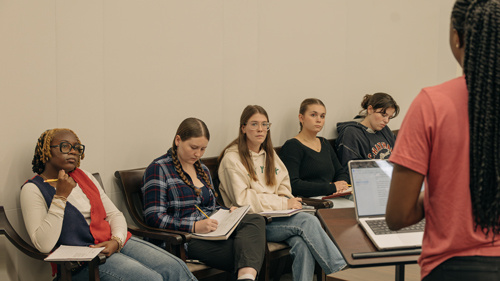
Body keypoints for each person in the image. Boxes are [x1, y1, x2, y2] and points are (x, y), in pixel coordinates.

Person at [386, 1, 500, 280]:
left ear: (456, 37)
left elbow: (398, 215)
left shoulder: (432, 104)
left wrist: (443, 195)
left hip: (452, 269)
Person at [20, 128, 196, 281]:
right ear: (45, 151)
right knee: (150, 279)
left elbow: (114, 215)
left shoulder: (85, 177)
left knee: (174, 266)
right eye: (65, 146)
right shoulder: (32, 189)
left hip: (112, 241)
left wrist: (116, 240)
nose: (73, 151)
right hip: (80, 262)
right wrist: (60, 197)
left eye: (76, 147)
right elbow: (43, 245)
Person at [218, 105, 347, 281]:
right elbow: (244, 200)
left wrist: (288, 202)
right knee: (307, 221)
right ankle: (341, 272)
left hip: (278, 216)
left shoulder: (269, 153)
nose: (260, 129)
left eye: (265, 124)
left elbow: (284, 186)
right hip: (252, 224)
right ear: (243, 128)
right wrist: (283, 203)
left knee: (301, 243)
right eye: (254, 124)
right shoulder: (232, 159)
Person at [142, 118, 266, 281]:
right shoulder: (159, 169)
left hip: (212, 231)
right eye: (193, 148)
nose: (198, 154)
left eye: (202, 149)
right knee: (248, 253)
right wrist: (193, 226)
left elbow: (212, 207)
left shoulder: (202, 169)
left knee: (255, 219)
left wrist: (228, 212)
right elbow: (154, 218)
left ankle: (246, 277)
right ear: (178, 140)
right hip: (183, 239)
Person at [279, 98, 349, 197]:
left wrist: (342, 184)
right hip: (310, 200)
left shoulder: (324, 143)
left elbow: (340, 171)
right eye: (313, 115)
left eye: (322, 116)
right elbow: (293, 184)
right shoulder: (292, 146)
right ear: (301, 118)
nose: (319, 120)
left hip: (333, 195)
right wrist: (331, 188)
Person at [335, 92, 400, 168]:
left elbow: (398, 156)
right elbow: (351, 169)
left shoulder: (385, 130)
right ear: (370, 109)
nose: (386, 121)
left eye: (389, 117)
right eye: (383, 115)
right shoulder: (351, 133)